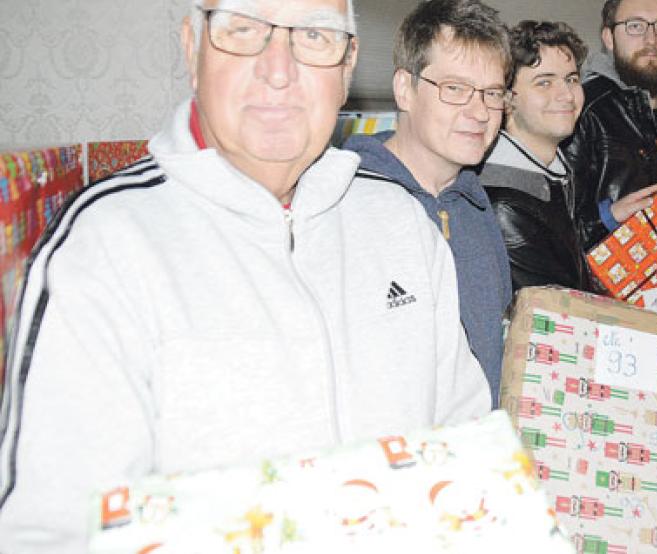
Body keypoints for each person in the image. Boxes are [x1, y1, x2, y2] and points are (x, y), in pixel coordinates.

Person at [0, 0, 490, 549]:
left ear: (348, 64)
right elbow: (48, 534)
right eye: (242, 28)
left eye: (315, 35)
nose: (277, 70)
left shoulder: (401, 223)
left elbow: (464, 446)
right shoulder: (103, 247)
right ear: (192, 48)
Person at [344, 0, 512, 404]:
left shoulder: (475, 205)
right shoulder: (345, 204)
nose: (479, 112)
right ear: (405, 89)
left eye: (492, 93)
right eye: (455, 89)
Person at [564, 0, 657, 251]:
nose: (651, 39)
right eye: (635, 26)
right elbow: (553, 234)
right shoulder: (579, 111)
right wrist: (609, 217)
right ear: (609, 38)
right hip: (596, 288)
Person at [479, 20, 593, 291]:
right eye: (544, 83)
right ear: (507, 98)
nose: (566, 95)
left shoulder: (555, 175)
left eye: (571, 79)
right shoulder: (504, 203)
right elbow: (555, 318)